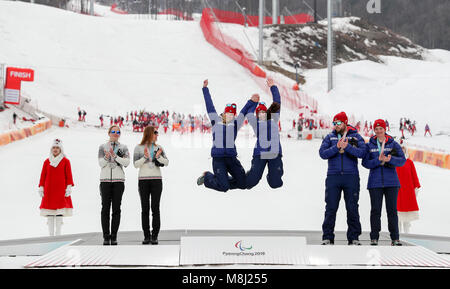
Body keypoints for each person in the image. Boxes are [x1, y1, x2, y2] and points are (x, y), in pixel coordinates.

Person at [196, 79, 257, 192]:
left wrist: (252, 101)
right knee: (224, 187)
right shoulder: (215, 120)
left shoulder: (235, 124)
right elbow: (209, 105)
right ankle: (207, 177)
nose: (230, 116)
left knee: (243, 184)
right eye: (228, 113)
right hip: (218, 159)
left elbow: (244, 112)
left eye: (232, 114)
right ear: (224, 113)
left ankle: (222, 179)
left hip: (232, 158)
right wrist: (205, 89)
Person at [319, 112, 366, 245]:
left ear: (345, 122)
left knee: (352, 207)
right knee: (331, 207)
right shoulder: (330, 137)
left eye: (338, 123)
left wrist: (348, 147)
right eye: (334, 123)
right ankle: (327, 237)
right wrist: (337, 147)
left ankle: (354, 237)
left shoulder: (356, 137)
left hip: (351, 177)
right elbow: (322, 153)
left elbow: (363, 153)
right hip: (333, 176)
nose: (336, 125)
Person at [362, 119, 406, 246]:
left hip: (392, 182)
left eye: (381, 128)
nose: (379, 131)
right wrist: (378, 160)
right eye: (376, 129)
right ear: (374, 130)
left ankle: (395, 238)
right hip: (375, 183)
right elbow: (365, 163)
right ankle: (374, 237)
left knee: (392, 211)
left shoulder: (393, 144)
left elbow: (402, 161)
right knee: (375, 210)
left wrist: (390, 159)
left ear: (385, 129)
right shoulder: (369, 144)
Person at [245, 78, 284, 189]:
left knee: (275, 183)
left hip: (274, 152)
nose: (261, 114)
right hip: (260, 153)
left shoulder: (274, 118)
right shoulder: (255, 122)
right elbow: (249, 113)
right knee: (251, 182)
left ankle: (272, 174)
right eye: (259, 112)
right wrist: (254, 102)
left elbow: (277, 101)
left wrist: (273, 87)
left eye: (263, 112)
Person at [133, 126, 169, 245]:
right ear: (148, 134)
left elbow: (167, 162)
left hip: (156, 180)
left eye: (157, 133)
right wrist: (144, 157)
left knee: (155, 208)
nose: (157, 135)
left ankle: (155, 236)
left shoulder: (159, 147)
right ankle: (146, 236)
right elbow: (135, 164)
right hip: (143, 180)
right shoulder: (138, 148)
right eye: (155, 133)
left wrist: (158, 156)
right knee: (145, 209)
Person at [98, 125, 130, 245]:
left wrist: (115, 156)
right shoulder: (102, 147)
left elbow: (127, 162)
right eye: (113, 131)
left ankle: (114, 236)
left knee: (116, 209)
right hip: (105, 181)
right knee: (105, 209)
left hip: (118, 181)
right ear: (109, 133)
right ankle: (106, 236)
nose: (115, 133)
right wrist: (107, 157)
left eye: (118, 132)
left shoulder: (123, 147)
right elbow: (101, 163)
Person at [38, 139, 74, 236]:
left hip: (61, 190)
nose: (55, 149)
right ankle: (50, 235)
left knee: (59, 212)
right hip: (49, 190)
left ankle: (58, 234)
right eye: (53, 147)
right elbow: (43, 175)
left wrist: (69, 186)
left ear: (60, 149)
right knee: (50, 212)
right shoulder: (47, 161)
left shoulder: (66, 161)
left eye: (57, 147)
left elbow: (69, 175)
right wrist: (41, 186)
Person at [396, 145, 421, 233]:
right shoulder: (393, 162)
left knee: (407, 216)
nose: (402, 152)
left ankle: (407, 234)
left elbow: (414, 176)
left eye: (403, 150)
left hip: (408, 192)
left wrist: (416, 188)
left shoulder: (409, 162)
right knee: (397, 216)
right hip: (397, 191)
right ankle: (397, 235)